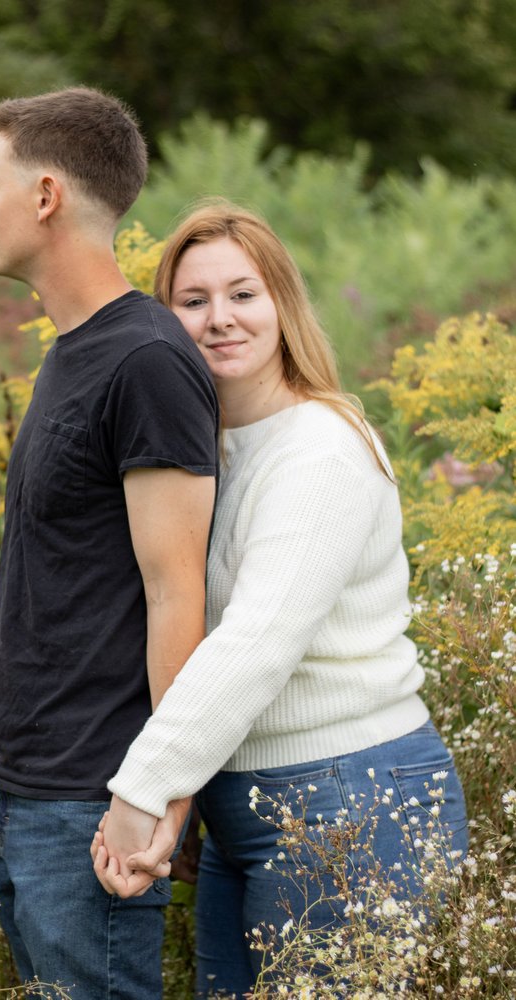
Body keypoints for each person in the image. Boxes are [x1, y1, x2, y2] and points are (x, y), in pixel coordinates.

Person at [93, 201, 469, 997]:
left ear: (282, 305)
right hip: (247, 803)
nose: (219, 319)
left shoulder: (319, 450)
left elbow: (256, 642)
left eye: (243, 294)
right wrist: (192, 793)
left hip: (353, 797)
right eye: (192, 301)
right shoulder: (207, 451)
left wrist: (146, 788)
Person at [0, 88, 218, 1000]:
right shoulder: (74, 349)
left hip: (95, 803)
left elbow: (176, 592)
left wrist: (158, 794)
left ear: (45, 196)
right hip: (31, 794)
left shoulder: (144, 360)